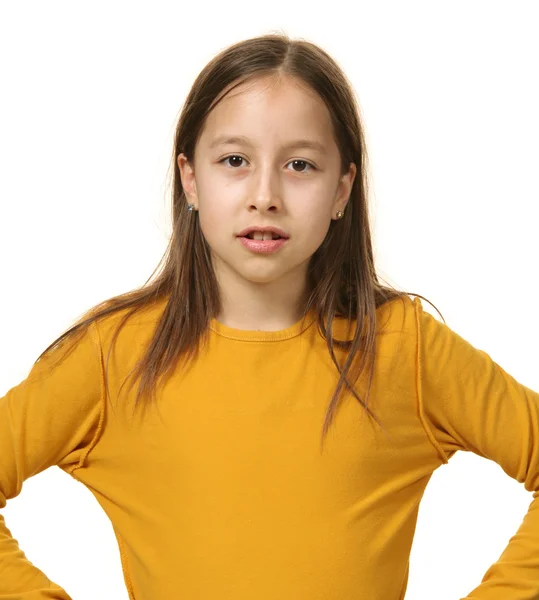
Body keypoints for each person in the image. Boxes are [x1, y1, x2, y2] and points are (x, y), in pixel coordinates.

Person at [1, 32, 538, 600]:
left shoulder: (405, 348)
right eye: (235, 160)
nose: (265, 195)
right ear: (190, 178)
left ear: (342, 189)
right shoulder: (114, 357)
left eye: (300, 165)